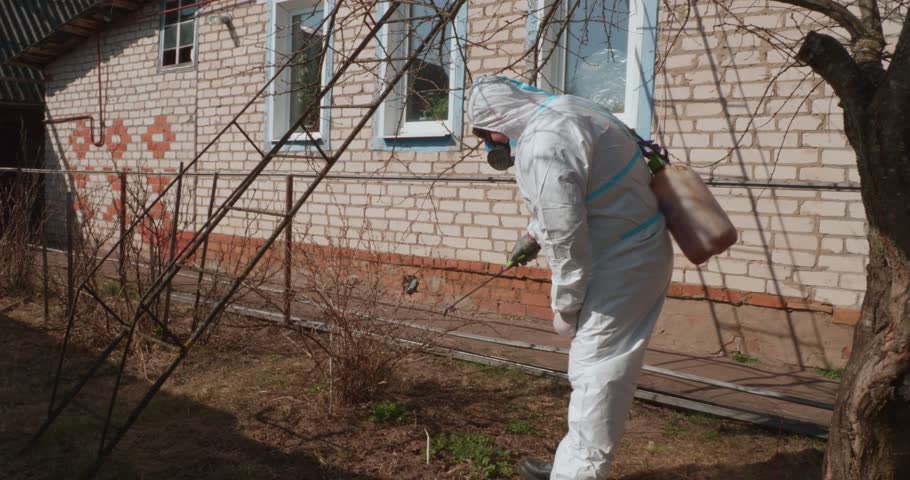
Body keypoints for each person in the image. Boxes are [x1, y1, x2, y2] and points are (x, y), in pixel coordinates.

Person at [467, 75, 673, 480]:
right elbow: (582, 191)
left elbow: (566, 238)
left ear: (496, 126)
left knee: (597, 373)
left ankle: (578, 473)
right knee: (593, 371)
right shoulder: (569, 111)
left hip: (623, 265)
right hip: (632, 250)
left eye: (486, 137)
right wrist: (532, 233)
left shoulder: (544, 141)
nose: (491, 145)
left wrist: (567, 304)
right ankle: (572, 462)